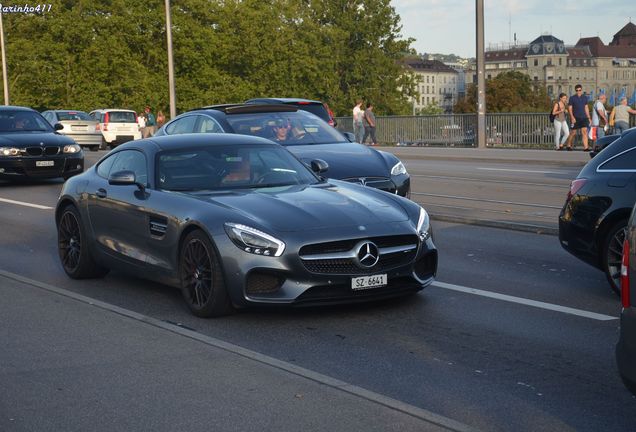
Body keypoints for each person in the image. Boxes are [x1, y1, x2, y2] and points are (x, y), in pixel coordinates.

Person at [565, 84, 591, 151]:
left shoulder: (585, 97)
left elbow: (586, 108)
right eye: (577, 90)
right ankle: (568, 145)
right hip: (575, 118)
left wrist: (589, 117)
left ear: (581, 90)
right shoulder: (572, 98)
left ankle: (586, 147)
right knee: (573, 133)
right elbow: (570, 108)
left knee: (584, 132)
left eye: (579, 90)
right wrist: (572, 117)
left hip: (584, 117)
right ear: (575, 91)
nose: (578, 91)